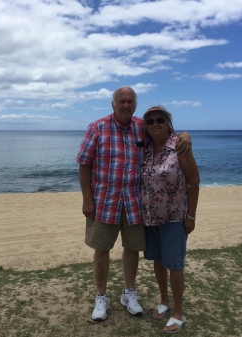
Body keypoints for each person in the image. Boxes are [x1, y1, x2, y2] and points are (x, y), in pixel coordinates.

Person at [76, 87, 192, 322]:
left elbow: (166, 136)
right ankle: (101, 296)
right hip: (103, 202)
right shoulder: (97, 128)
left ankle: (129, 293)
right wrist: (87, 200)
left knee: (132, 249)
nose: (126, 105)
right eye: (122, 101)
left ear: (135, 105)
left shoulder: (142, 127)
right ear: (113, 104)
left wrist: (185, 135)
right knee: (102, 250)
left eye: (130, 101)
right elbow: (84, 164)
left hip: (134, 202)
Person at [141, 105, 200, 333]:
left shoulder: (179, 147)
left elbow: (194, 182)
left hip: (175, 217)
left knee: (174, 265)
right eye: (150, 121)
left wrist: (191, 216)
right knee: (158, 260)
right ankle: (164, 301)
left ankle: (178, 313)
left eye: (160, 120)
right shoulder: (145, 149)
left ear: (168, 123)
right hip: (150, 217)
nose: (155, 124)